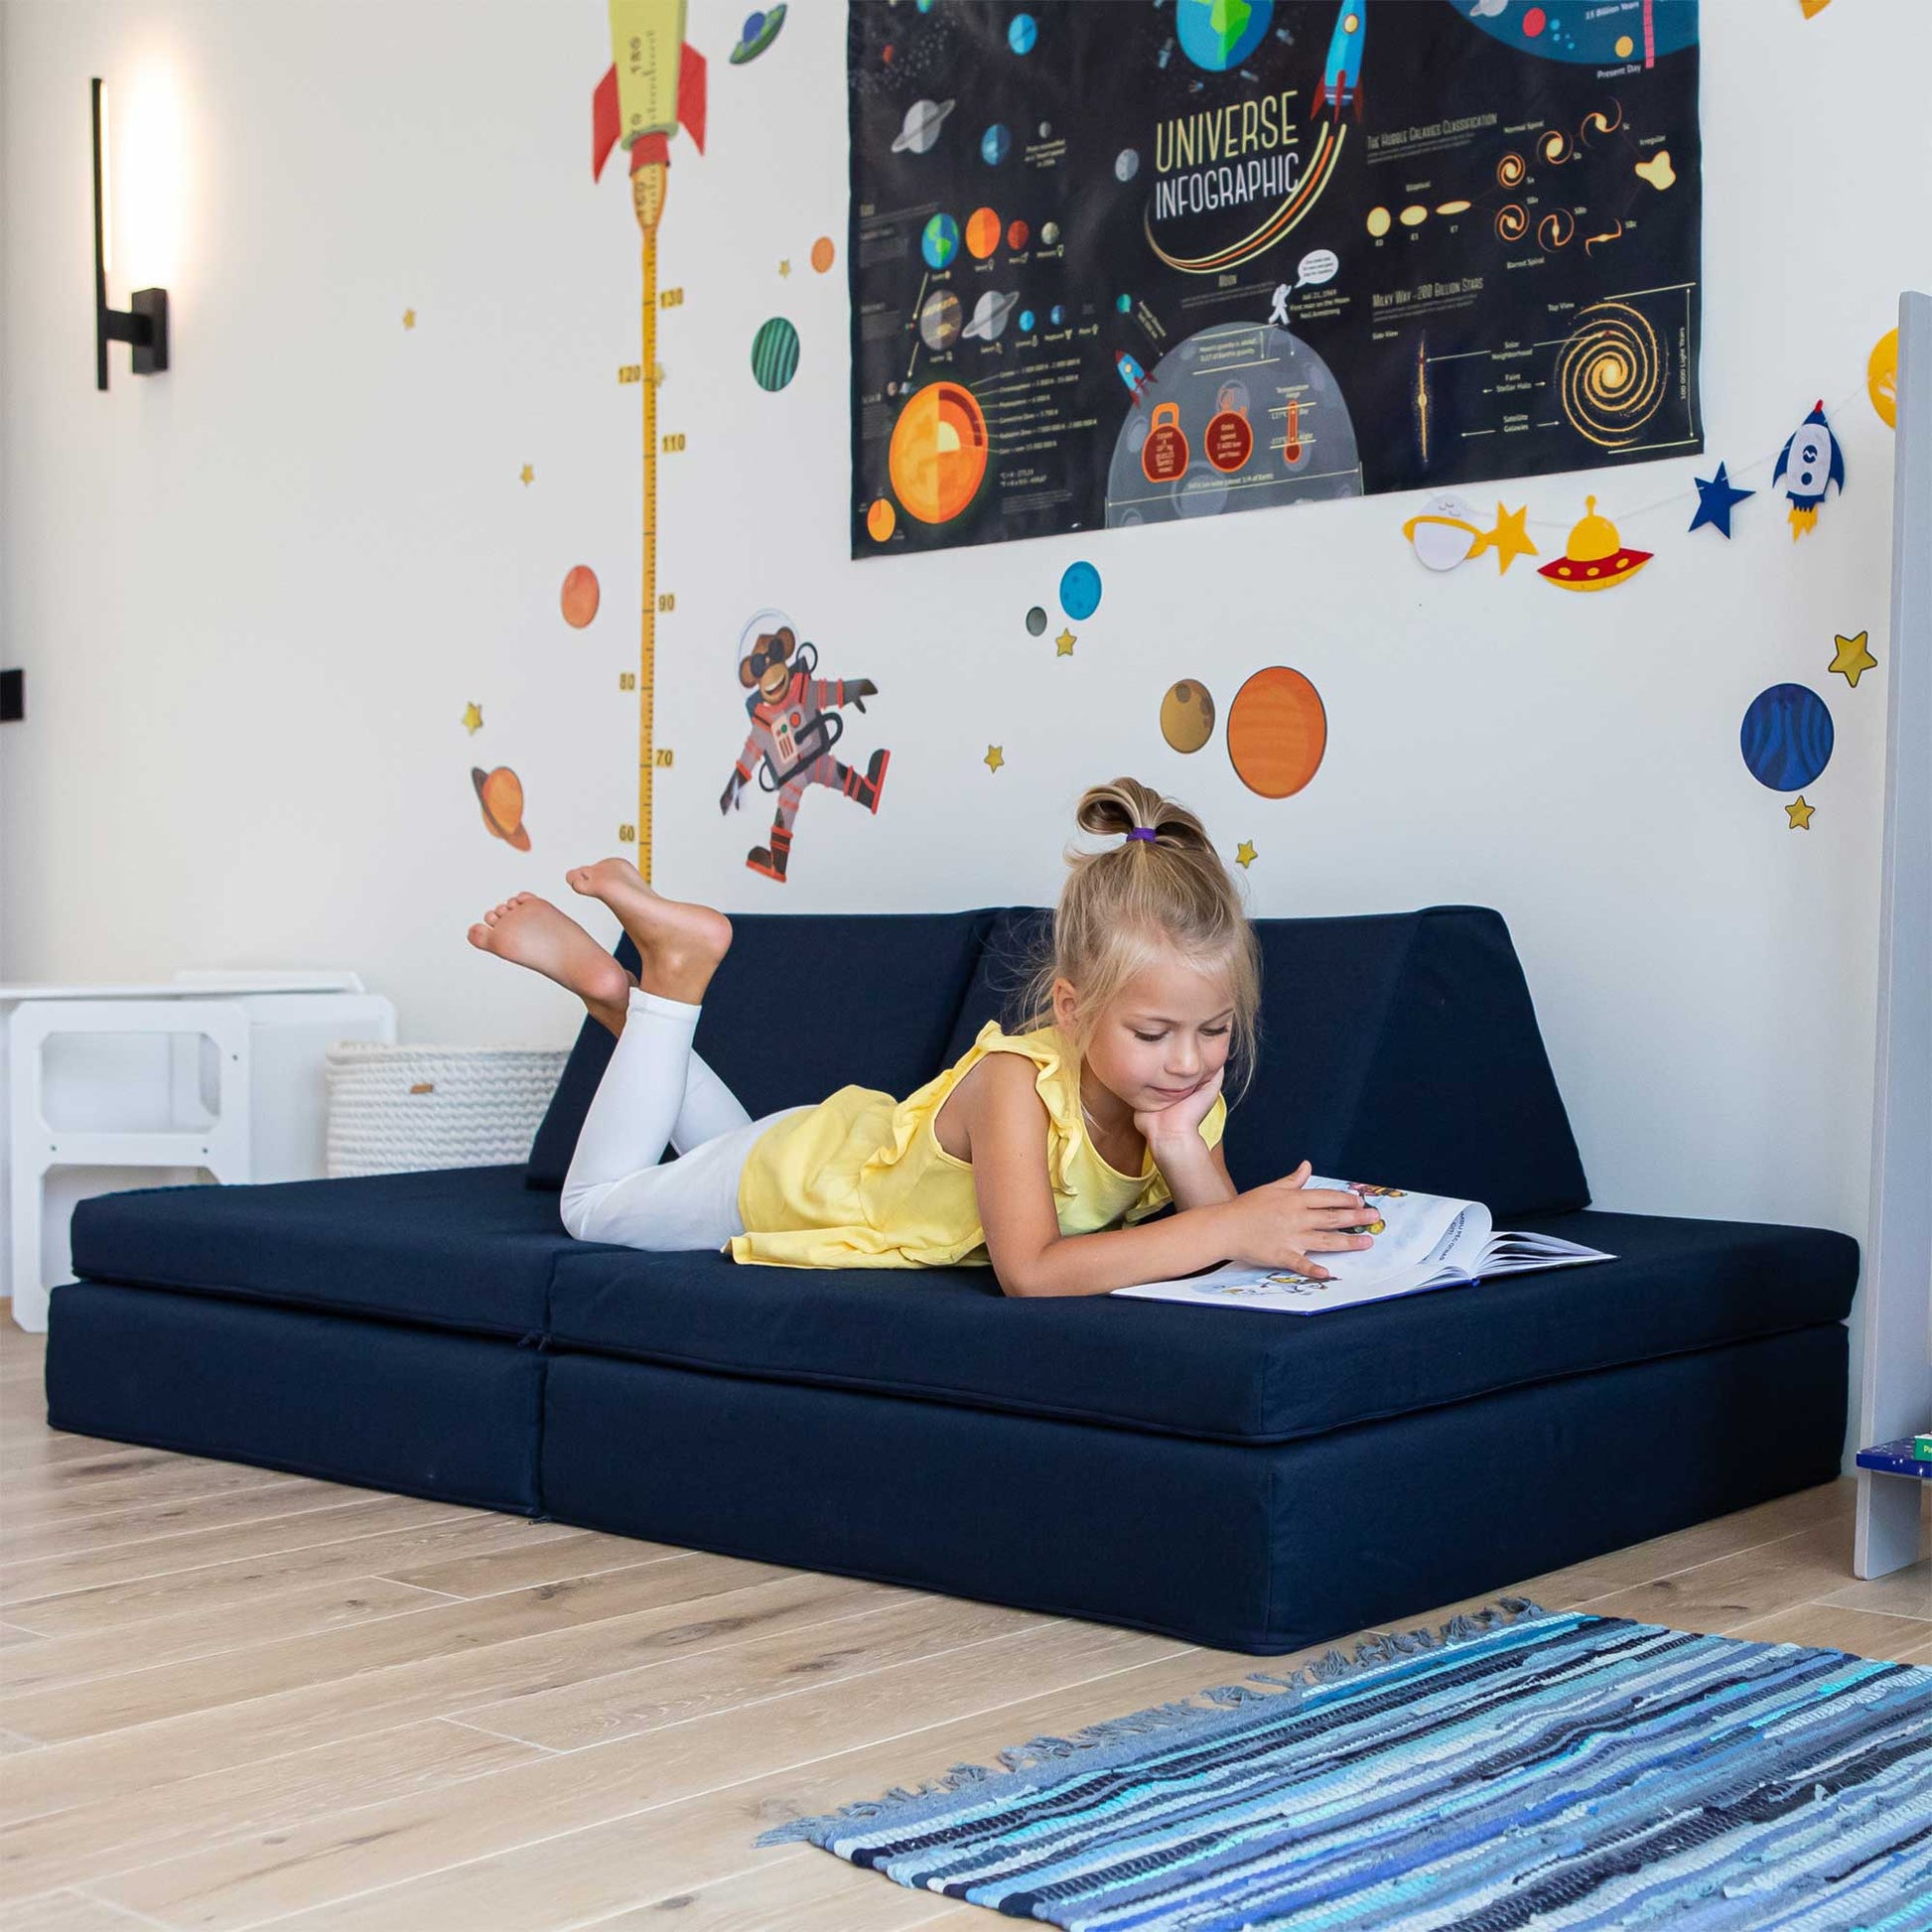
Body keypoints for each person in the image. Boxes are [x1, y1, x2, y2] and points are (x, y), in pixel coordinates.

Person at [467, 777, 1373, 1297]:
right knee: (593, 1209)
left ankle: (617, 997)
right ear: (1070, 1009)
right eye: (1153, 1031)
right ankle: (672, 973)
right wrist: (1234, 1222)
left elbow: (1217, 1238)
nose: (1187, 1058)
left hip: (824, 1161)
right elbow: (1031, 1272)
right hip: (806, 1187)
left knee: (716, 1150)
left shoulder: (1177, 1096)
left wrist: (1179, 1147)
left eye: (1214, 1030)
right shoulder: (1016, 1084)